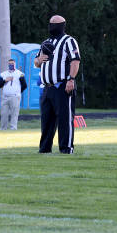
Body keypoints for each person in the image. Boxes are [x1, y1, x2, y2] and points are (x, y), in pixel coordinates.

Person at [34, 15, 81, 154]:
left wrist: (71, 79)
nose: (51, 27)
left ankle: (66, 148)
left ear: (61, 25)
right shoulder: (45, 42)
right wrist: (39, 59)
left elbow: (75, 61)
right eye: (50, 24)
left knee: (65, 119)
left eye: (54, 24)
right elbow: (36, 63)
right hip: (47, 87)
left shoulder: (69, 41)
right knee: (47, 120)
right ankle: (44, 149)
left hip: (62, 85)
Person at [0, 59, 27, 130]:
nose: (11, 65)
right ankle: (3, 128)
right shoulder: (3, 74)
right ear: (8, 65)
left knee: (14, 114)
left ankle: (13, 129)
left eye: (12, 64)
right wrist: (5, 80)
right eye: (10, 64)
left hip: (15, 96)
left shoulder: (20, 74)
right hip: (5, 97)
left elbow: (24, 85)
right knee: (4, 114)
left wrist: (18, 92)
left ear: (15, 64)